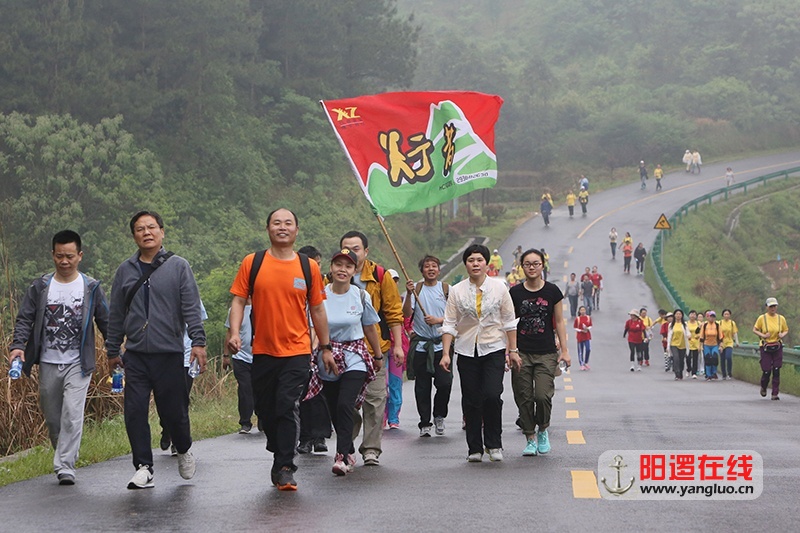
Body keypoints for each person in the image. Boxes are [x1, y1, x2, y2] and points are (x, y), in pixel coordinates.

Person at [228, 208, 334, 491]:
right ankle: (278, 447)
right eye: (277, 223)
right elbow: (239, 300)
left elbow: (318, 309)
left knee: (287, 405)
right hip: (261, 351)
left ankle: (285, 465)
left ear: (297, 230)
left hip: (297, 352)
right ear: (268, 229)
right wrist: (235, 333)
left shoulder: (307, 267)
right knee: (265, 410)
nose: (282, 227)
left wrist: (325, 347)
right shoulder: (254, 262)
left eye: (288, 223)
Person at [106, 211, 207, 490]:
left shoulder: (178, 266)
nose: (146, 232)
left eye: (151, 227)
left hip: (169, 353)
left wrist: (198, 343)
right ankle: (143, 467)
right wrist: (112, 350)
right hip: (136, 354)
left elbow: (191, 308)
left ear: (162, 232)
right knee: (135, 410)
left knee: (174, 412)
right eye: (140, 229)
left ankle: (184, 449)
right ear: (134, 235)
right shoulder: (125, 270)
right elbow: (116, 313)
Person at [8, 230, 109, 486]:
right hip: (48, 361)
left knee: (72, 414)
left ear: (80, 256)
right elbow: (25, 319)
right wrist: (17, 346)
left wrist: (115, 349)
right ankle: (64, 453)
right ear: (53, 255)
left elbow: (106, 321)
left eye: (70, 256)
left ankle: (65, 465)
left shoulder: (91, 287)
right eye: (60, 256)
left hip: (79, 362)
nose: (65, 261)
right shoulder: (41, 286)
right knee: (53, 417)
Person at [440, 244, 517, 462]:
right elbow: (449, 323)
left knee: (492, 396)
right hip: (466, 349)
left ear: (486, 263)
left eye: (479, 260)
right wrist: (446, 353)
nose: (475, 264)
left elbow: (509, 321)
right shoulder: (457, 290)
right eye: (471, 260)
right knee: (472, 399)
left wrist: (513, 350)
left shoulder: (500, 288)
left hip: (493, 348)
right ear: (466, 264)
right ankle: (474, 447)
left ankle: (494, 444)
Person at [316, 249, 384, 476]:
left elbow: (369, 327)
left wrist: (377, 356)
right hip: (327, 354)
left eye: (348, 266)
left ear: (354, 270)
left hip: (355, 354)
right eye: (338, 265)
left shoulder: (360, 296)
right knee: (335, 407)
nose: (342, 270)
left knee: (346, 404)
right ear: (331, 268)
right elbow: (313, 328)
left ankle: (342, 456)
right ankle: (349, 446)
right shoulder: (320, 296)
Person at [339, 231, 404, 467]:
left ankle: (371, 449)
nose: (351, 253)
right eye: (346, 248)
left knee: (376, 399)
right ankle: (346, 444)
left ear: (366, 251)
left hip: (374, 350)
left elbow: (393, 312)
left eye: (356, 248)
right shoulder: (333, 276)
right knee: (346, 403)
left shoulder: (379, 275)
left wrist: (397, 345)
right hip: (342, 352)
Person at [509, 248, 569, 457]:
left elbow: (559, 322)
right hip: (521, 352)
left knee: (542, 395)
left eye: (536, 263)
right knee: (523, 396)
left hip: (546, 352)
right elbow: (509, 324)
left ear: (542, 266)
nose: (532, 267)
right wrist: (511, 351)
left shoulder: (552, 291)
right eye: (527, 264)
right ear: (521, 267)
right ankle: (530, 438)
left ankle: (542, 429)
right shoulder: (515, 293)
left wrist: (565, 350)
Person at [403, 255, 452, 438]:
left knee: (444, 383)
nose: (431, 269)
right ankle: (425, 422)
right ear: (421, 270)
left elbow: (456, 316)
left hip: (442, 346)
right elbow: (406, 314)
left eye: (434, 266)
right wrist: (408, 294)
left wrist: (438, 320)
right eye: (426, 266)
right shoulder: (416, 289)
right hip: (422, 346)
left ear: (439, 270)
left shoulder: (447, 289)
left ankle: (439, 415)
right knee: (422, 386)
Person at [159, 300, 208, 455]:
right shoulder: (160, 292)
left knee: (181, 398)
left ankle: (177, 439)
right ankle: (166, 429)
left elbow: (199, 325)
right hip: (164, 353)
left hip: (188, 355)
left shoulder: (191, 296)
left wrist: (200, 349)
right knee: (164, 397)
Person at [296, 245, 331, 454]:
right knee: (302, 395)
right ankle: (304, 437)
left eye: (319, 264)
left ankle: (321, 436)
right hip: (299, 347)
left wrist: (318, 343)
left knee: (320, 394)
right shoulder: (295, 285)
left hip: (320, 346)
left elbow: (321, 316)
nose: (317, 268)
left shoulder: (326, 286)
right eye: (313, 264)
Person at [223, 298, 257, 434]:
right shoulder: (235, 310)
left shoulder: (262, 306)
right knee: (245, 388)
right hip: (240, 356)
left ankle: (262, 416)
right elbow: (229, 332)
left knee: (261, 388)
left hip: (260, 356)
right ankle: (245, 422)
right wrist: (226, 355)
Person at [753, 297, 789, 400]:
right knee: (767, 370)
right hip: (766, 346)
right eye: (771, 306)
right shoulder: (762, 318)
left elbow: (786, 329)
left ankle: (775, 393)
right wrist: (763, 335)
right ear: (767, 307)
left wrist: (782, 334)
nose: (773, 308)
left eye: (774, 306)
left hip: (777, 345)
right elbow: (755, 329)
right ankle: (764, 386)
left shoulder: (781, 318)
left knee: (777, 369)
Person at [385, 268, 408, 429]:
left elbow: (407, 322)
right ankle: (381, 417)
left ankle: (393, 418)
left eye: (395, 280)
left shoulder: (401, 302)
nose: (393, 283)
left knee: (395, 383)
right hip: (380, 347)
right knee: (381, 384)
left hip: (397, 349)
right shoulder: (376, 300)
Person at [699, 310, 723, 381]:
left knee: (715, 358)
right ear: (708, 317)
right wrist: (700, 346)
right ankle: (708, 375)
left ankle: (714, 373)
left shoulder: (717, 325)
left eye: (713, 317)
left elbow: (720, 337)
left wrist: (721, 346)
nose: (712, 318)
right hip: (706, 345)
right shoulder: (705, 325)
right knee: (708, 359)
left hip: (714, 345)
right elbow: (701, 336)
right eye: (710, 317)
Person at [667, 310, 689, 380]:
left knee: (681, 360)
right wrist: (668, 345)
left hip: (682, 345)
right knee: (676, 358)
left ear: (682, 315)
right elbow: (669, 335)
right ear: (674, 315)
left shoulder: (685, 324)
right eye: (677, 314)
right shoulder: (671, 325)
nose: (678, 315)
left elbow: (688, 333)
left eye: (680, 314)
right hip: (674, 344)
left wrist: (689, 336)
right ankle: (677, 373)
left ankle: (680, 372)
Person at [719, 309, 739, 380]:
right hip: (722, 343)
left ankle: (729, 373)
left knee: (728, 357)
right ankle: (724, 374)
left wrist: (737, 341)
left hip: (729, 342)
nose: (726, 315)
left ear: (730, 315)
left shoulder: (732, 323)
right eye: (725, 314)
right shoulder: (720, 323)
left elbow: (735, 332)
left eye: (728, 314)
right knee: (722, 359)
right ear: (723, 315)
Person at [574, 306, 592, 371]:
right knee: (580, 351)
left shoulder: (588, 318)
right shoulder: (578, 319)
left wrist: (587, 328)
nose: (583, 311)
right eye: (581, 310)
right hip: (580, 336)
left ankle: (586, 362)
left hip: (587, 336)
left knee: (588, 349)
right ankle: (581, 364)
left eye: (584, 310)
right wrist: (581, 330)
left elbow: (590, 325)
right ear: (579, 311)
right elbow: (575, 327)